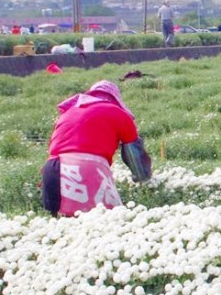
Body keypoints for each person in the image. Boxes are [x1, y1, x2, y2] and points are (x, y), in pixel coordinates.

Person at [41, 80, 152, 217]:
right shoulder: (118, 113)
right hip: (85, 169)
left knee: (61, 228)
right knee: (109, 221)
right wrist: (145, 180)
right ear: (115, 98)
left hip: (52, 170)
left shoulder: (70, 111)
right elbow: (135, 157)